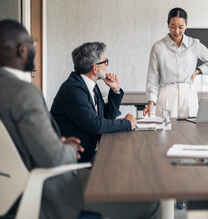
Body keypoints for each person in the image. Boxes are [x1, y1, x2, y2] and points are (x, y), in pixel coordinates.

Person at [0, 19, 161, 219]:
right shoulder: (30, 93)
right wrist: (67, 148)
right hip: (49, 188)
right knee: (152, 202)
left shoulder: (87, 88)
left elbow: (104, 118)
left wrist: (116, 91)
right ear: (21, 50)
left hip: (14, 187)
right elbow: (89, 131)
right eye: (31, 43)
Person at [51, 42, 136, 163]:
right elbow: (96, 125)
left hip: (92, 151)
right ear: (95, 68)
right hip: (77, 158)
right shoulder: (73, 90)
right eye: (105, 61)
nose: (107, 65)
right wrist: (127, 124)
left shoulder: (89, 85)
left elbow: (106, 117)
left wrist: (115, 90)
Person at [144, 7, 208, 118]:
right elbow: (152, 77)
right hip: (167, 93)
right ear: (168, 24)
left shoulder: (194, 44)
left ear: (186, 25)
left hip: (189, 93)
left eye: (181, 27)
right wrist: (150, 102)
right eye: (173, 27)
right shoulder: (158, 47)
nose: (176, 31)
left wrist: (198, 71)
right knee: (166, 131)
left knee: (191, 131)